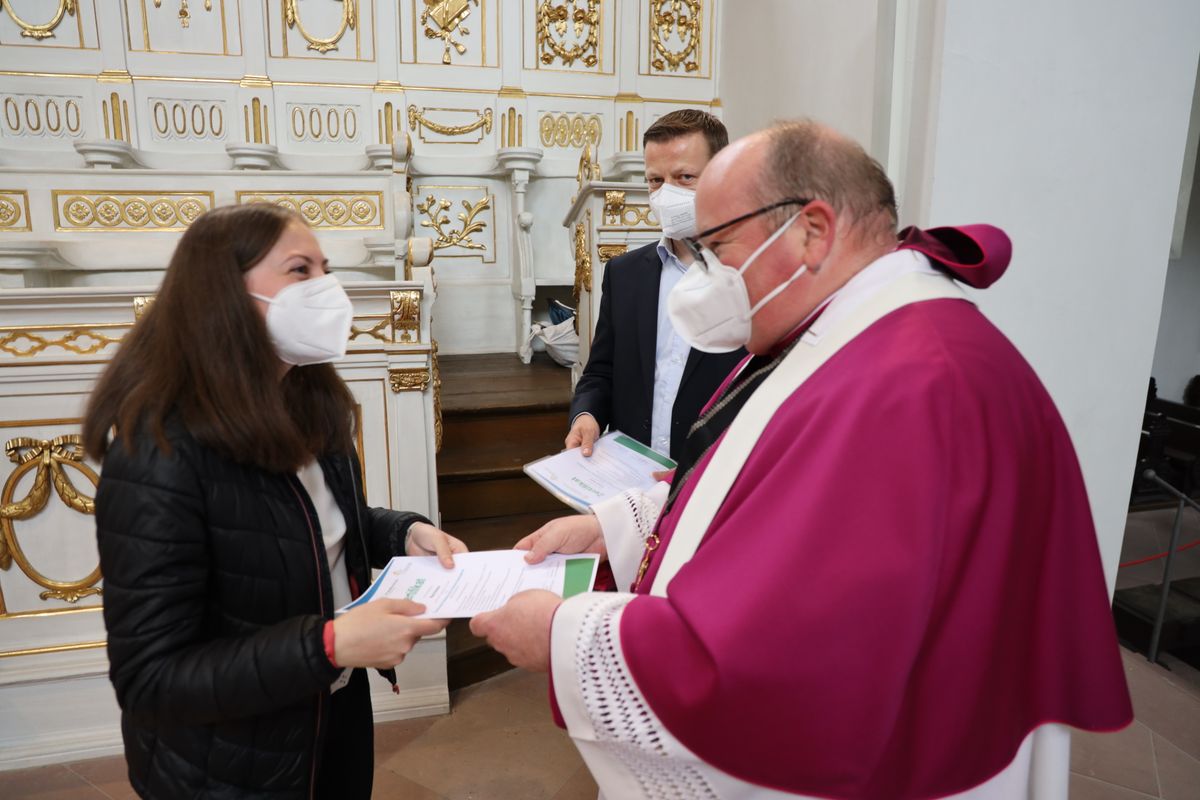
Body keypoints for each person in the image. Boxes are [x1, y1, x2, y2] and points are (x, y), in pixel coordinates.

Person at [471, 120, 1133, 799]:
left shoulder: (909, 385)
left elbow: (774, 657)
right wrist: (614, 526)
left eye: (718, 248)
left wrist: (560, 636)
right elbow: (755, 480)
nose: (706, 278)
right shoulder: (849, 329)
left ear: (813, 232)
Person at [83, 203, 467, 800]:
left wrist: (400, 534)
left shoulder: (308, 402)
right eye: (300, 270)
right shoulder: (159, 452)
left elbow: (304, 527)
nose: (327, 288)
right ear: (225, 295)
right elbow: (151, 678)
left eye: (326, 268)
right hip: (231, 762)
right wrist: (330, 644)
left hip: (331, 713)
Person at [567, 109, 747, 462]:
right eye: (655, 180)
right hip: (631, 473)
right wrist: (586, 414)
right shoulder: (624, 273)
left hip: (710, 477)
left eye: (684, 177)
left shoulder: (753, 274)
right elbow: (601, 371)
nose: (666, 194)